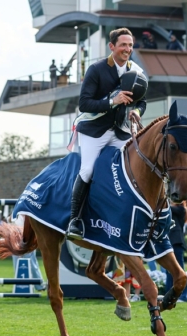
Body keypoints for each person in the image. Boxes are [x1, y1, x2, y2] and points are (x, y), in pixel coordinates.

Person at [67, 27, 147, 240]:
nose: (127, 49)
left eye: (130, 45)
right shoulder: (96, 69)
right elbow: (84, 103)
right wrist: (113, 101)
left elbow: (142, 101)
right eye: (123, 45)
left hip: (119, 131)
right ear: (112, 47)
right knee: (88, 170)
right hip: (94, 131)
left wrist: (136, 112)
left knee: (133, 170)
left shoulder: (136, 70)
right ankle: (75, 221)